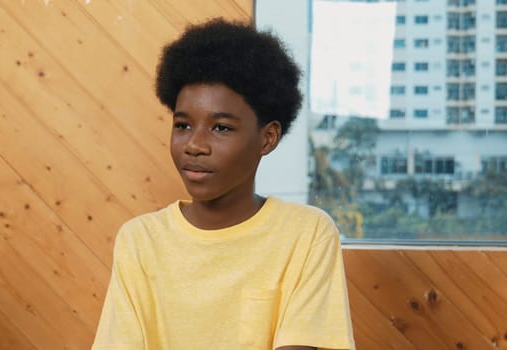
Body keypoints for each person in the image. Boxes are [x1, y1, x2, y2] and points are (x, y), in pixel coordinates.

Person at [92, 18, 355, 350]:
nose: (195, 145)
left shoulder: (307, 234)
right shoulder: (140, 240)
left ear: (268, 138)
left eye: (221, 128)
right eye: (183, 125)